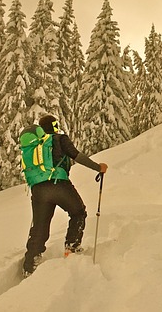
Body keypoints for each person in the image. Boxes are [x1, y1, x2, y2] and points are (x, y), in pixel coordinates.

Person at [22, 114, 108, 277]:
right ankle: (72, 247)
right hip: (59, 185)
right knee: (78, 212)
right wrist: (98, 167)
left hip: (38, 190)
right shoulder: (59, 139)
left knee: (40, 226)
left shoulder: (35, 146)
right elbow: (76, 156)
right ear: (54, 126)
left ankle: (29, 265)